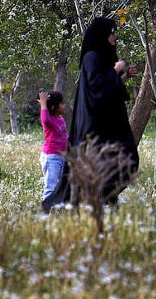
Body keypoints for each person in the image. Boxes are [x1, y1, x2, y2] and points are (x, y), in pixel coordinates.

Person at [42, 16, 138, 211]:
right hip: (96, 126)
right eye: (112, 32)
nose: (115, 36)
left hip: (109, 124)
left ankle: (103, 199)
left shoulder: (102, 58)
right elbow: (97, 88)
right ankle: (95, 201)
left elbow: (108, 89)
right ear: (103, 34)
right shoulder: (91, 57)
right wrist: (116, 70)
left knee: (126, 159)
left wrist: (124, 76)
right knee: (100, 164)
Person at [37, 90, 68, 203]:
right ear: (54, 107)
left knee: (60, 184)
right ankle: (46, 209)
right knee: (51, 184)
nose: (64, 106)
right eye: (61, 104)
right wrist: (43, 103)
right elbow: (44, 119)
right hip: (51, 157)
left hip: (61, 157)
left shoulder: (61, 119)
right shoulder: (49, 121)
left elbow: (63, 136)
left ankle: (58, 207)